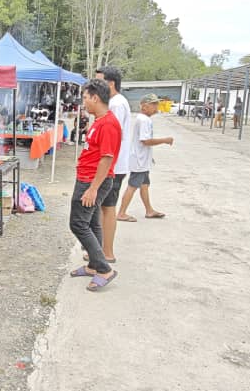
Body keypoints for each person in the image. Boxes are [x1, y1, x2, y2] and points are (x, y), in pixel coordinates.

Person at [68, 79, 119, 292]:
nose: (84, 102)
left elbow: (106, 158)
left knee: (78, 224)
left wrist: (93, 188)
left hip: (92, 180)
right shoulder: (99, 120)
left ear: (95, 98)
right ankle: (93, 265)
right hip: (87, 178)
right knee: (92, 223)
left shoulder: (108, 124)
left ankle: (104, 269)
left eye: (85, 98)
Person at [117, 94, 174, 222]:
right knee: (132, 186)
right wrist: (164, 140)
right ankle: (121, 213)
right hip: (139, 160)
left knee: (144, 185)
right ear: (145, 106)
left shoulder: (144, 119)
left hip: (142, 159)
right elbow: (145, 141)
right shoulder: (143, 120)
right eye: (154, 104)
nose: (156, 107)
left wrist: (149, 157)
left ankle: (149, 210)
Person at [98, 66, 130, 264]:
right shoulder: (115, 102)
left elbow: (110, 137)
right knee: (103, 207)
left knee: (108, 208)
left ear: (110, 83)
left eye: (99, 81)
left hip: (114, 166)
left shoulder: (116, 104)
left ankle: (107, 252)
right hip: (114, 164)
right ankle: (100, 248)